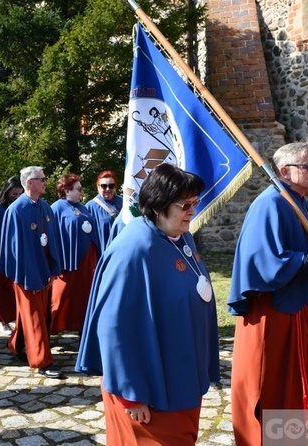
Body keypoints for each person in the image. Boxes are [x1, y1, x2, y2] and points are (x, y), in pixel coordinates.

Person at [228, 141, 308, 445]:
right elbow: (265, 261)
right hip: (274, 313)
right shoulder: (271, 204)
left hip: (300, 311)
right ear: (286, 171)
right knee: (272, 390)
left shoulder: (300, 204)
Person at [76, 164, 220, 444]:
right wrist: (131, 396)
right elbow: (113, 328)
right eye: (185, 204)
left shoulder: (180, 236)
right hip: (150, 393)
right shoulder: (133, 249)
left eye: (195, 202)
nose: (193, 210)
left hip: (179, 377)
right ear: (158, 206)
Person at [0, 166, 64, 379]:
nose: (45, 182)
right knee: (35, 317)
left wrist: (53, 269)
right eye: (41, 179)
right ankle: (42, 360)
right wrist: (26, 275)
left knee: (32, 313)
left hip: (44, 270)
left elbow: (52, 240)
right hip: (28, 274)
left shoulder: (45, 207)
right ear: (29, 183)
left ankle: (16, 345)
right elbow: (13, 248)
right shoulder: (17, 210)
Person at [50, 174, 99, 334]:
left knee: (83, 294)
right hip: (68, 260)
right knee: (62, 295)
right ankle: (54, 326)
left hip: (87, 259)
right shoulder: (57, 207)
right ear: (66, 190)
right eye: (78, 189)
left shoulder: (82, 207)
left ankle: (80, 326)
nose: (81, 192)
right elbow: (53, 234)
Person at [0, 176, 24, 334]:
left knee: (13, 286)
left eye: (18, 194)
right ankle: (1, 319)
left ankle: (14, 316)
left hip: (16, 253)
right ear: (7, 191)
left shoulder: (21, 205)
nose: (16, 197)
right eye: (13, 194)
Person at [85, 170, 123, 253]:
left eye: (111, 186)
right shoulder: (91, 207)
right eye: (104, 186)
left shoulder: (123, 202)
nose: (108, 189)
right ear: (98, 187)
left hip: (123, 249)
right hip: (105, 253)